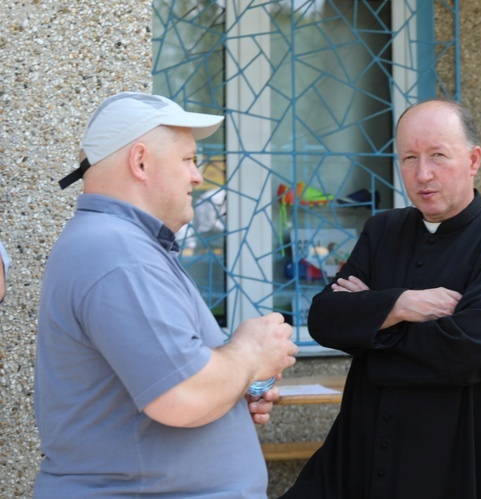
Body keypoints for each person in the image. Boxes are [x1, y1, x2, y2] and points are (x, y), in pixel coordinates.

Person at [34, 92, 298, 498]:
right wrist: (250, 354)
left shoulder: (120, 244)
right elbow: (182, 395)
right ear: (140, 162)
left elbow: (168, 382)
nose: (198, 176)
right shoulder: (117, 252)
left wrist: (229, 388)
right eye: (189, 159)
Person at [280, 99, 481, 499]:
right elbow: (323, 319)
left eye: (438, 156)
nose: (423, 174)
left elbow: (463, 353)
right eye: (409, 158)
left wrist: (370, 326)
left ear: (474, 160)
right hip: (363, 450)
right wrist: (400, 305)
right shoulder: (383, 230)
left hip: (461, 460)